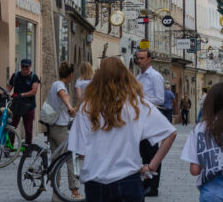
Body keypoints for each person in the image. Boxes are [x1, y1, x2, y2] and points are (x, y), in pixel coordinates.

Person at [68, 57, 176, 202]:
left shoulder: (87, 107)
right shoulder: (137, 105)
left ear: (99, 77)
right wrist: (152, 166)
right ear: (126, 76)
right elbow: (170, 133)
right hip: (127, 180)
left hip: (96, 181)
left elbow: (81, 151)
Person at [45, 61, 79, 199]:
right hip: (59, 128)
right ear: (71, 75)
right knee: (70, 158)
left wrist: (69, 109)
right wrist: (70, 106)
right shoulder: (60, 86)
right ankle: (75, 191)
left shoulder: (55, 84)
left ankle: (55, 194)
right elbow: (63, 95)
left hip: (52, 127)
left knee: (56, 159)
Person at [135, 49, 165, 197]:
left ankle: (154, 187)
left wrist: (142, 99)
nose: (139, 61)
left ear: (149, 60)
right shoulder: (138, 76)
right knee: (144, 154)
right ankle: (146, 182)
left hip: (151, 119)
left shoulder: (155, 76)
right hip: (140, 119)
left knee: (153, 153)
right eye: (138, 58)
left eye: (141, 58)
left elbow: (160, 99)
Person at [7, 58, 41, 145]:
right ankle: (9, 146)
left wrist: (22, 95)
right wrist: (4, 94)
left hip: (28, 106)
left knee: (28, 128)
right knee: (12, 126)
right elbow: (9, 88)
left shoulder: (34, 77)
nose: (25, 69)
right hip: (17, 105)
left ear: (30, 67)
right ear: (20, 66)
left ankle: (28, 147)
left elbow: (34, 91)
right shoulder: (15, 76)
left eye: (27, 67)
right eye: (23, 67)